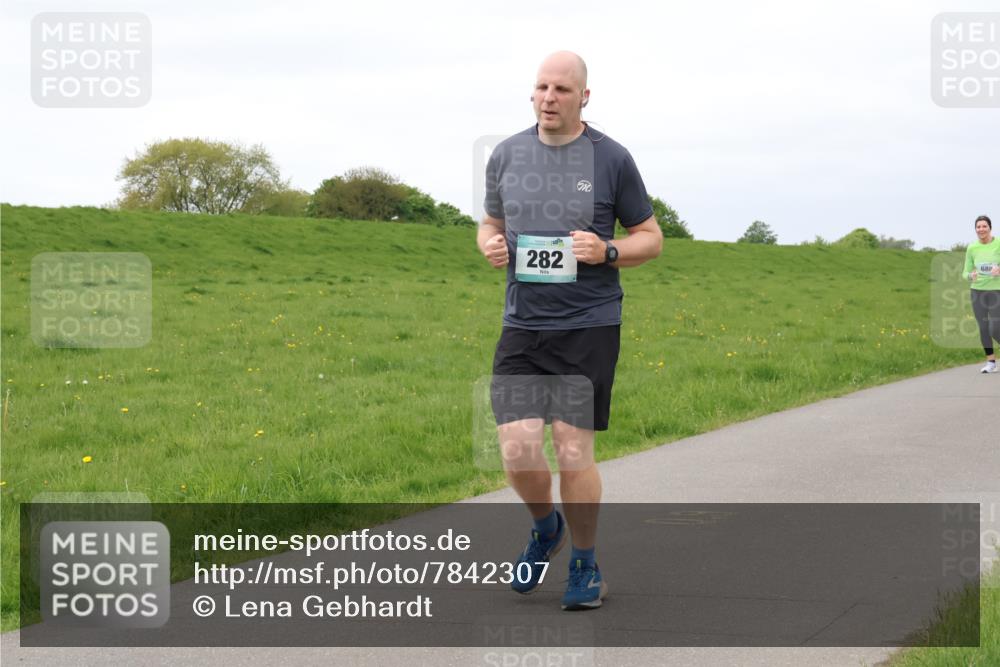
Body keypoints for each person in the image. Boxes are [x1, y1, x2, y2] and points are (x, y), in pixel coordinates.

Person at [477, 51, 663, 610]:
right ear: (531, 94)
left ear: (584, 96)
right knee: (516, 447)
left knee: (573, 449)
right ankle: (546, 528)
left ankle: (584, 563)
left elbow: (650, 237)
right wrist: (487, 242)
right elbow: (491, 222)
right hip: (523, 326)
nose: (549, 97)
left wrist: (607, 249)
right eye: (541, 87)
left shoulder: (612, 159)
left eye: (562, 88)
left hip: (588, 325)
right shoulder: (507, 154)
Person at [963, 214, 1000, 373]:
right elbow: (965, 272)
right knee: (983, 327)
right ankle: (991, 362)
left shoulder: (998, 244)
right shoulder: (972, 248)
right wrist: (971, 275)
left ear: (990, 228)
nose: (981, 229)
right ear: (975, 230)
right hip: (977, 291)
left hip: (996, 289)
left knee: (995, 328)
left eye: (984, 226)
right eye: (978, 227)